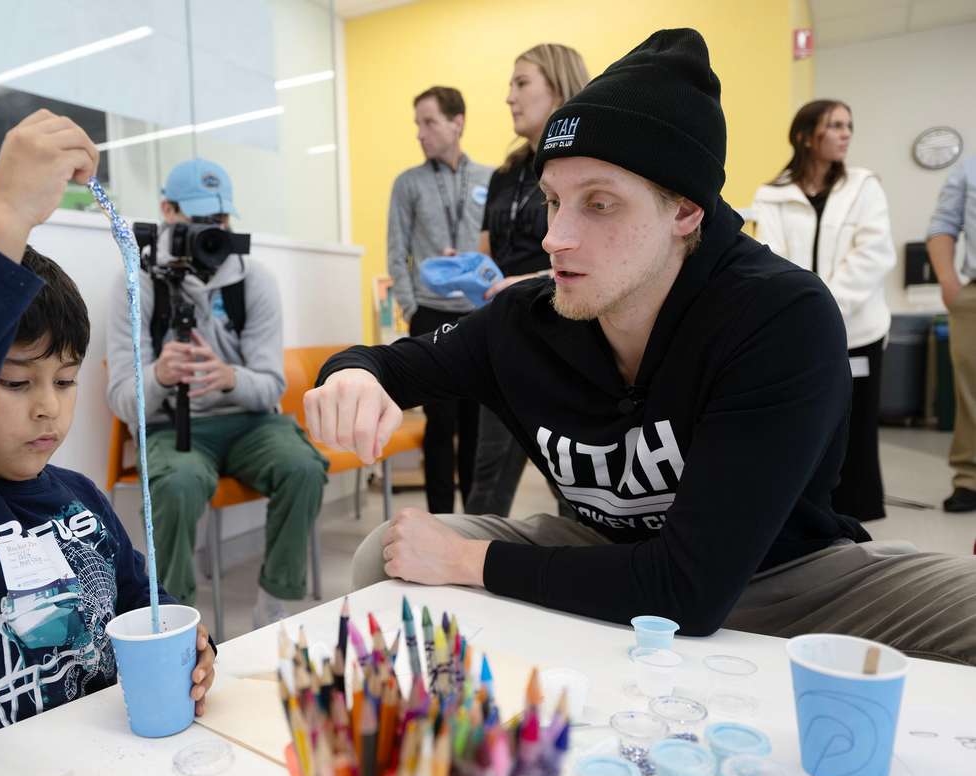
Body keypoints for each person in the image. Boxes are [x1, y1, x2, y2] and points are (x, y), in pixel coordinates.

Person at [305, 29, 976, 665]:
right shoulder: (529, 318)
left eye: (599, 204)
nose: (556, 237)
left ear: (686, 211)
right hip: (602, 551)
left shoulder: (780, 317)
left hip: (784, 571)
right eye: (553, 199)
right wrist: (354, 376)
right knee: (379, 554)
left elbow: (687, 590)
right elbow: (391, 362)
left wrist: (467, 563)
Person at [0, 111, 216, 775]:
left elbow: (142, 606)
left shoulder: (82, 499)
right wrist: (6, 214)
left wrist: (192, 646)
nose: (49, 405)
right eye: (17, 381)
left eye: (65, 378)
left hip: (84, 774)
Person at [105, 158, 328, 630]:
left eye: (221, 221)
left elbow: (271, 384)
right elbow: (124, 398)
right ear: (167, 210)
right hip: (175, 426)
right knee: (178, 484)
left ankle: (273, 598)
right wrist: (161, 375)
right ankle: (174, 615)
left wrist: (229, 377)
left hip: (250, 421)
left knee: (303, 466)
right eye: (201, 220)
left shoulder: (255, 280)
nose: (214, 233)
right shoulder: (137, 283)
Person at [753, 100, 895, 522]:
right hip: (796, 334)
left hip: (858, 332)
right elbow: (772, 257)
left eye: (848, 125)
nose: (845, 133)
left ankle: (860, 517)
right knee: (803, 426)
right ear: (804, 135)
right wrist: (803, 313)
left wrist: (824, 308)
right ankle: (808, 517)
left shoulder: (865, 187)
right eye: (834, 125)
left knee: (857, 431)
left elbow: (873, 254)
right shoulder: (772, 195)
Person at [467, 44, 590, 519]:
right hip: (508, 335)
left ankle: (583, 584)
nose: (509, 97)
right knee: (488, 477)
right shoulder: (505, 175)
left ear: (557, 88)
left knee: (576, 484)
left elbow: (597, 253)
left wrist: (526, 280)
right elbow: (486, 255)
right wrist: (470, 270)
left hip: (571, 338)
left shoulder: (588, 166)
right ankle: (462, 581)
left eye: (521, 83)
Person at [386, 86, 493, 513]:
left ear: (457, 123)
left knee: (476, 425)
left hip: (480, 313)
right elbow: (397, 251)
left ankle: (477, 519)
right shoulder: (408, 183)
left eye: (428, 121)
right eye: (417, 123)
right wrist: (413, 308)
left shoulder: (490, 178)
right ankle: (439, 522)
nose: (420, 132)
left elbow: (498, 246)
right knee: (439, 422)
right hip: (429, 316)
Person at [928, 155, 976, 513]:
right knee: (970, 389)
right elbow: (943, 224)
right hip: (973, 294)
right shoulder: (968, 166)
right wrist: (948, 282)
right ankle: (970, 479)